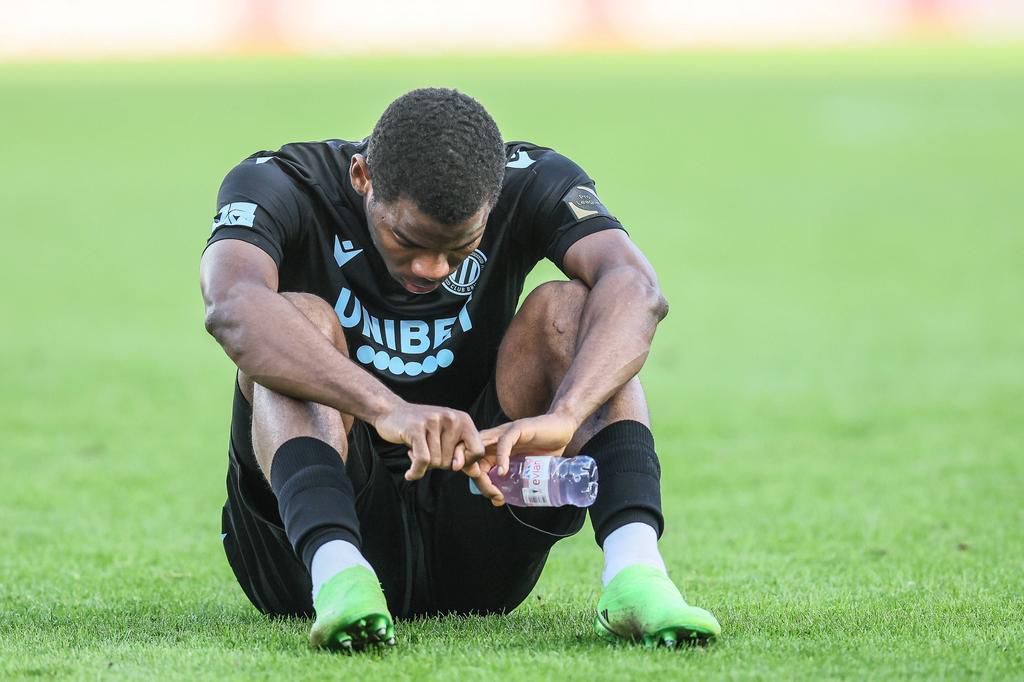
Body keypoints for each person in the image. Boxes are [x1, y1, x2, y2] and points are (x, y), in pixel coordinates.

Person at [199, 87, 720, 651]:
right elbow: (232, 305)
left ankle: (636, 575)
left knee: (572, 310)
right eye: (407, 239)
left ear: (493, 204)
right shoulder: (281, 183)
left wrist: (567, 417)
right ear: (361, 177)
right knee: (294, 321)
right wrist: (387, 409)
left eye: (461, 248)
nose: (431, 267)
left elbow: (636, 288)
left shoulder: (535, 180)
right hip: (300, 560)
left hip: (481, 516)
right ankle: (339, 573)